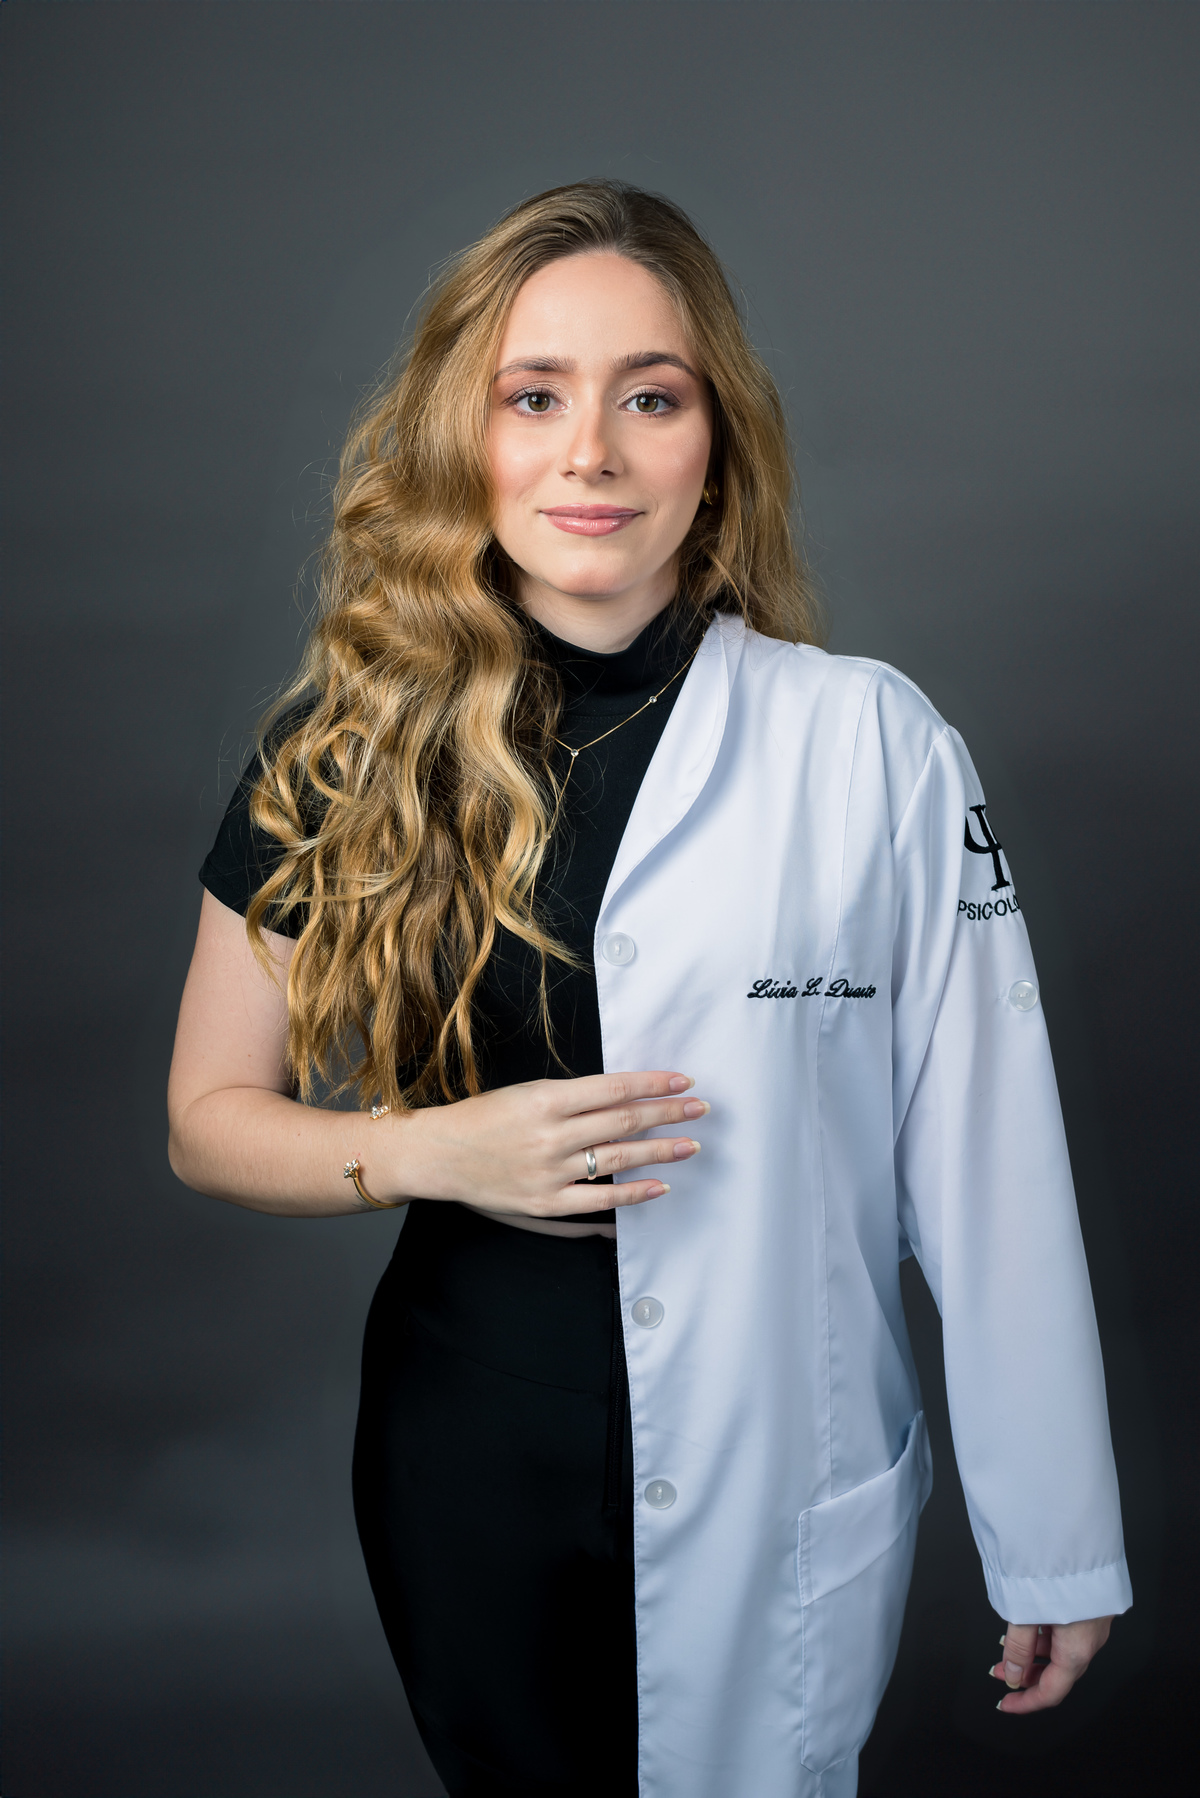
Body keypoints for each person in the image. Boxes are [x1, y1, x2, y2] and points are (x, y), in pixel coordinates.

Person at [167, 182, 1132, 1798]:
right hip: (472, 1451)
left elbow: (990, 1161)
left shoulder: (869, 744)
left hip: (786, 1445)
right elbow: (206, 1116)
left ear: (717, 442)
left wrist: (1054, 1536)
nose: (592, 454)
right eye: (534, 396)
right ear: (463, 436)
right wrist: (426, 1148)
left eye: (651, 398)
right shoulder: (346, 747)